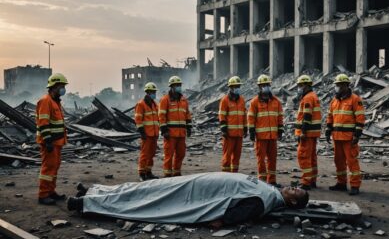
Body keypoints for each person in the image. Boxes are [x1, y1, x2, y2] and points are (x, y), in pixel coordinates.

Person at [67, 172, 309, 225]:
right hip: (199, 182)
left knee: (146, 200)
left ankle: (85, 203)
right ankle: (94, 191)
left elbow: (243, 211)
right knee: (148, 188)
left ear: (293, 202)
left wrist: (222, 222)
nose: (293, 186)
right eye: (295, 186)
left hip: (197, 193)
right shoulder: (271, 191)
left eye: (295, 191)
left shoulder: (264, 201)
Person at [326, 74, 365, 196]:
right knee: (339, 161)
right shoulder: (334, 101)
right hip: (337, 136)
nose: (336, 87)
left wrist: (357, 135)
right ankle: (341, 183)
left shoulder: (355, 99)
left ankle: (355, 185)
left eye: (338, 85)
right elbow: (330, 116)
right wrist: (328, 130)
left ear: (345, 85)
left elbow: (360, 118)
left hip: (349, 138)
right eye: (336, 85)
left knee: (352, 162)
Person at [36, 73, 68, 205]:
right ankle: (43, 195)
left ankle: (51, 192)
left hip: (57, 142)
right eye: (61, 86)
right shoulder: (45, 101)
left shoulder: (56, 102)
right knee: (48, 168)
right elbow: (43, 123)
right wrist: (48, 141)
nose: (63, 89)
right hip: (50, 142)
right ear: (54, 87)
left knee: (54, 167)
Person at [248, 75, 284, 185]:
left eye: (267, 85)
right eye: (263, 85)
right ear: (259, 87)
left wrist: (280, 129)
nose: (266, 87)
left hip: (272, 136)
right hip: (261, 137)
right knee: (261, 160)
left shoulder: (276, 102)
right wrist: (252, 131)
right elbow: (251, 117)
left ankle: (272, 181)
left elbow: (280, 116)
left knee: (272, 159)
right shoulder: (254, 102)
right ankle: (262, 182)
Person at [158, 76, 192, 177]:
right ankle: (167, 174)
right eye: (177, 85)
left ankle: (177, 172)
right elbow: (161, 115)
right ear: (171, 87)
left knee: (181, 154)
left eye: (179, 85)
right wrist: (164, 130)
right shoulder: (165, 100)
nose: (179, 87)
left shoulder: (184, 100)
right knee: (169, 155)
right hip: (170, 133)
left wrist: (189, 127)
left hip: (181, 133)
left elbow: (187, 114)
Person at [295, 75, 322, 190]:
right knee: (311, 157)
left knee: (304, 156)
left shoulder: (308, 98)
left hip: (308, 133)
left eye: (300, 85)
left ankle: (306, 182)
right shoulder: (313, 96)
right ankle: (312, 180)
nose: (299, 88)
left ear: (306, 85)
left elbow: (307, 116)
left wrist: (303, 132)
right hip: (313, 133)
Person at [218, 76, 247, 172]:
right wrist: (224, 129)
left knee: (237, 156)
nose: (238, 88)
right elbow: (222, 115)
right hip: (229, 134)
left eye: (238, 86)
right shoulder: (225, 100)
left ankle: (234, 175)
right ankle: (226, 176)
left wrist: (245, 128)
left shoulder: (242, 100)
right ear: (230, 88)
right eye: (236, 86)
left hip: (239, 134)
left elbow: (244, 114)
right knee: (227, 156)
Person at [135, 82, 160, 181]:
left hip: (154, 134)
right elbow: (138, 119)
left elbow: (157, 119)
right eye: (153, 92)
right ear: (148, 92)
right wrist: (142, 132)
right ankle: (142, 173)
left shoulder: (154, 104)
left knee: (151, 154)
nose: (154, 94)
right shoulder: (141, 104)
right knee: (145, 154)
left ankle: (148, 172)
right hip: (146, 134)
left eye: (155, 92)